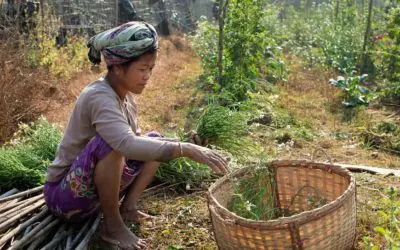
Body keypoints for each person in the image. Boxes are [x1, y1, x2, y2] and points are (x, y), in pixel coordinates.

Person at [43, 21, 228, 250]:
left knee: (154, 139)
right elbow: (125, 144)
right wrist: (186, 150)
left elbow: (140, 143)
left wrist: (185, 142)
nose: (147, 76)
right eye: (142, 69)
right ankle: (113, 226)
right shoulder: (98, 96)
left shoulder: (126, 97)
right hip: (65, 197)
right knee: (111, 145)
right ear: (118, 67)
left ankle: (128, 207)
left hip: (90, 194)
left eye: (151, 68)